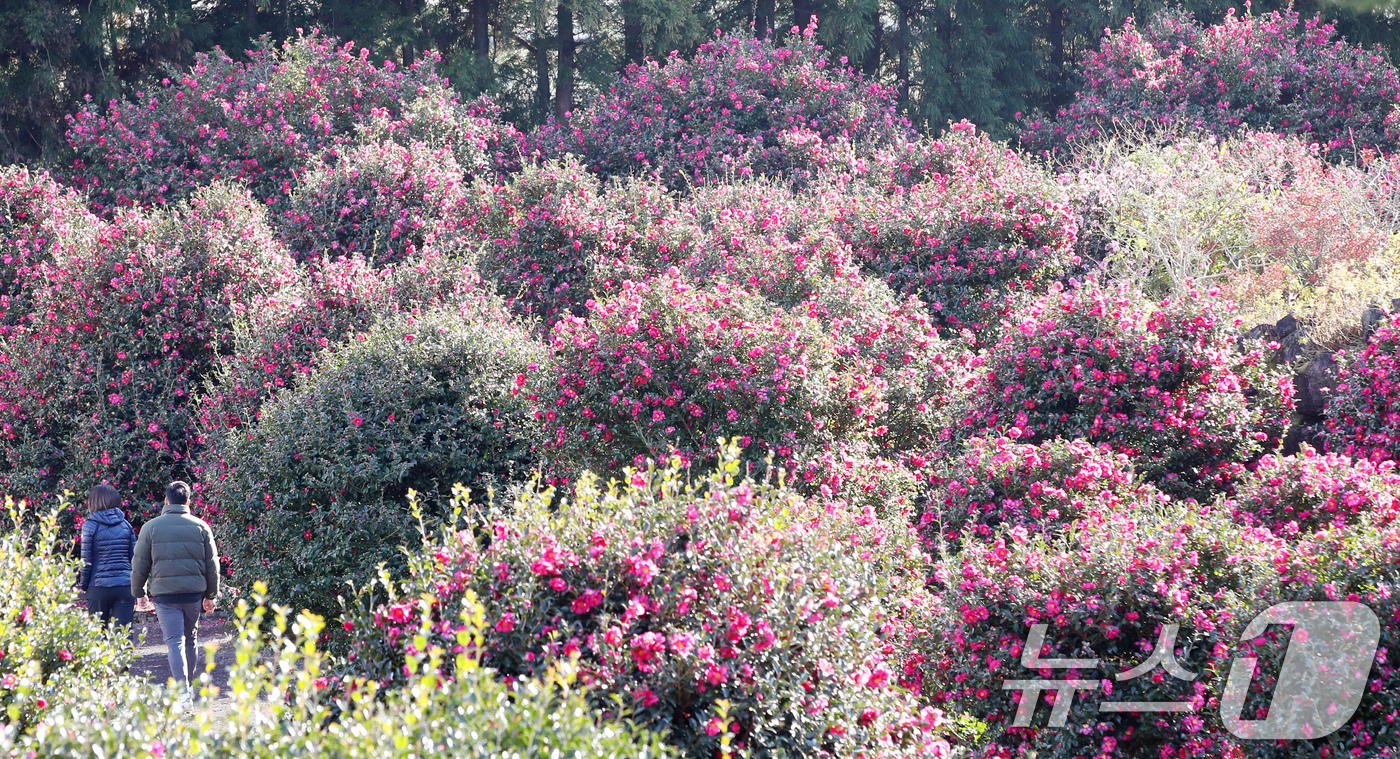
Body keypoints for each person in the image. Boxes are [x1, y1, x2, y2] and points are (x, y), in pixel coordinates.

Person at [131, 481, 220, 703]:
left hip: (164, 595)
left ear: (166, 500)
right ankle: (188, 688)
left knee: (174, 641)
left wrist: (139, 593)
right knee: (191, 639)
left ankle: (182, 693)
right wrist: (211, 596)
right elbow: (212, 565)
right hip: (193, 594)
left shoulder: (150, 527)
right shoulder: (201, 526)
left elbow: (140, 563)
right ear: (188, 502)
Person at [79, 484, 137, 628]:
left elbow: (86, 560)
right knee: (123, 634)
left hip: (98, 586)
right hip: (125, 585)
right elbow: (135, 559)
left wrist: (84, 585)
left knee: (98, 635)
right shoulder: (126, 525)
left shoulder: (90, 526)